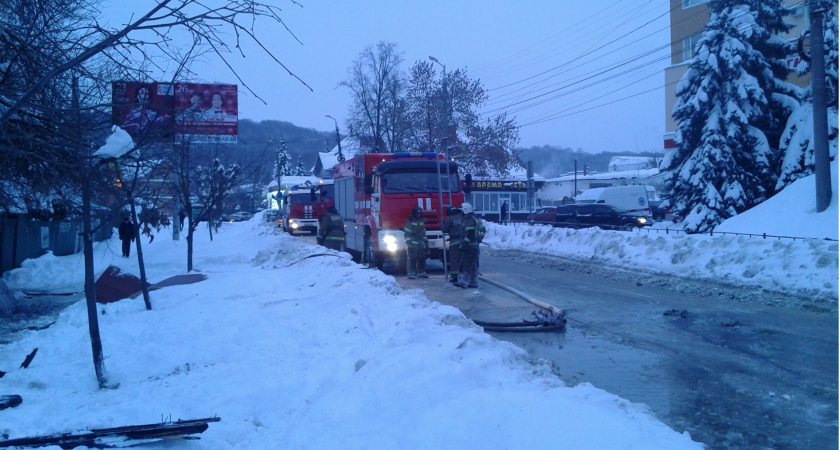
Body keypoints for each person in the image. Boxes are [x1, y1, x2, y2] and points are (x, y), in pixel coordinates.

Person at [455, 202, 485, 289]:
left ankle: (463, 282)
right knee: (474, 265)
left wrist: (464, 244)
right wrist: (480, 238)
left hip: (469, 247)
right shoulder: (476, 220)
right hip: (475, 246)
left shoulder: (468, 221)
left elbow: (470, 234)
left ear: (465, 211)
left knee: (465, 264)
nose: (461, 214)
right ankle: (473, 282)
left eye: (461, 212)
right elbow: (483, 229)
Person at [403, 207, 428, 279]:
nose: (419, 215)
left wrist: (426, 242)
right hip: (412, 243)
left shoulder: (420, 221)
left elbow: (423, 233)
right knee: (412, 258)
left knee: (422, 258)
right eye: (417, 213)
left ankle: (421, 273)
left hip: (420, 243)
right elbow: (407, 234)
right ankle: (411, 273)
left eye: (420, 213)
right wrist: (409, 243)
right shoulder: (409, 222)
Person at [441, 206, 464, 283]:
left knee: (454, 260)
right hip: (463, 241)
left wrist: (443, 224)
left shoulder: (450, 219)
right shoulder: (461, 217)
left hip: (454, 242)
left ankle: (454, 277)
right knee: (463, 259)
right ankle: (464, 275)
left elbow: (444, 230)